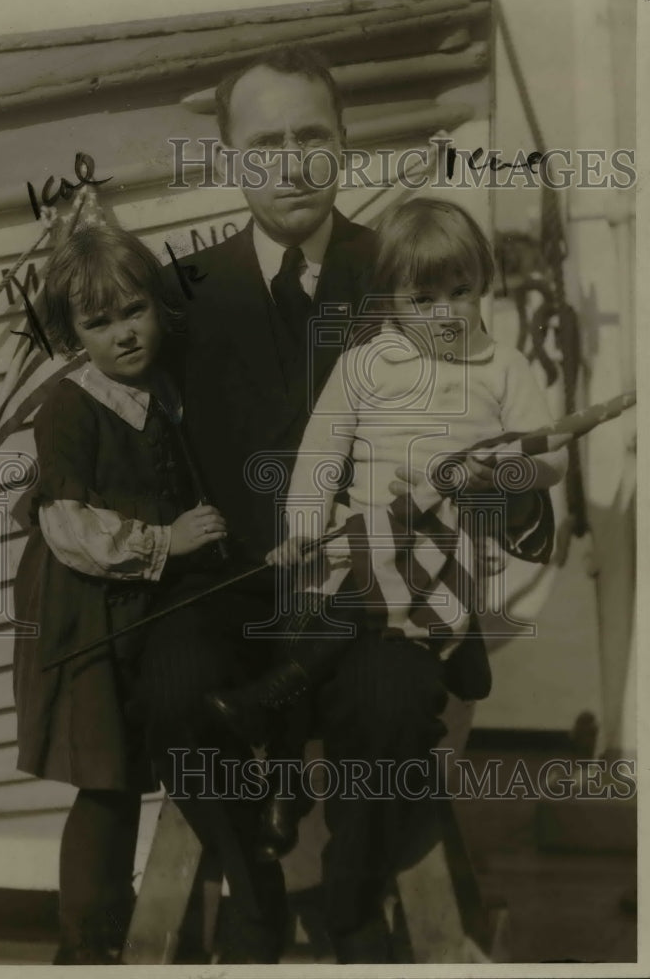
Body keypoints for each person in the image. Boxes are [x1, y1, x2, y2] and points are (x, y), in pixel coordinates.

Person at [145, 46, 555, 963]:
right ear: (230, 157)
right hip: (243, 591)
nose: (291, 162)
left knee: (386, 704)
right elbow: (135, 439)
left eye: (311, 136)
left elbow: (506, 424)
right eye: (265, 144)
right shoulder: (183, 297)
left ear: (345, 142)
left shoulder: (414, 270)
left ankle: (351, 906)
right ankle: (251, 894)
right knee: (168, 680)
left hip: (382, 596)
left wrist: (508, 496)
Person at [205, 197, 567, 746]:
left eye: (460, 293)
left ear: (484, 283)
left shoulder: (502, 367)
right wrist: (304, 530)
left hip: (447, 538)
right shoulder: (364, 363)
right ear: (390, 301)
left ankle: (277, 693)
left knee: (370, 593)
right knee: (309, 604)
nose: (445, 314)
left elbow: (552, 458)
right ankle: (284, 763)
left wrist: (494, 473)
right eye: (422, 300)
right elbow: (321, 456)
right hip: (364, 532)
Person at [11, 223, 227, 964]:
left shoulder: (161, 386)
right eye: (98, 323)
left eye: (133, 312)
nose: (123, 335)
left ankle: (131, 927)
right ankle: (83, 946)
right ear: (72, 332)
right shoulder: (69, 405)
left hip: (135, 606)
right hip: (84, 610)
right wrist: (168, 541)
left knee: (134, 768)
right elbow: (70, 526)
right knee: (104, 780)